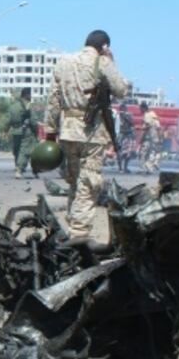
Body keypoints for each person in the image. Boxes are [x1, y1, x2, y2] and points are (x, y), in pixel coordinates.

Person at [43, 30, 130, 239]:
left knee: (75, 181)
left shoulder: (64, 62)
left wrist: (50, 131)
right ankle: (79, 233)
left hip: (68, 130)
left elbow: (53, 99)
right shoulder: (102, 63)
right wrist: (111, 61)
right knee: (88, 183)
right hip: (92, 133)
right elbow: (121, 90)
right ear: (105, 46)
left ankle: (74, 223)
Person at [7, 87, 35, 178]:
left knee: (17, 150)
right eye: (30, 94)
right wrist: (36, 130)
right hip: (26, 131)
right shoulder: (28, 105)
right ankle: (19, 169)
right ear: (27, 95)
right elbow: (33, 120)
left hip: (15, 131)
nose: (31, 96)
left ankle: (17, 166)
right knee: (24, 151)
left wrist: (5, 130)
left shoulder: (13, 106)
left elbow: (8, 120)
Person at [139, 103, 161, 174]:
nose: (140, 110)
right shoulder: (153, 114)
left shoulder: (147, 115)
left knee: (142, 153)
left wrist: (141, 137)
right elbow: (158, 127)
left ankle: (143, 169)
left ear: (143, 108)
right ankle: (149, 169)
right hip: (153, 138)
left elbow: (147, 127)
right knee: (150, 153)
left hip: (147, 138)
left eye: (140, 109)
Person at [116, 101, 135, 173]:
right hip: (121, 134)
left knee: (128, 152)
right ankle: (120, 168)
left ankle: (125, 167)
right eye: (122, 108)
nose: (123, 110)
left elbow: (132, 124)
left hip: (128, 134)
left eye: (124, 109)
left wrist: (126, 117)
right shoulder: (117, 115)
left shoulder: (128, 115)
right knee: (119, 152)